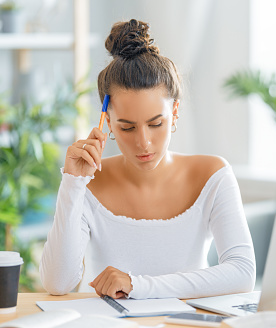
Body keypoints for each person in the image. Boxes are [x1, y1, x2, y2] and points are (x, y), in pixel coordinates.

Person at [40, 19, 256, 300]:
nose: (144, 142)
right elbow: (57, 283)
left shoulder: (212, 175)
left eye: (156, 124)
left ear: (175, 112)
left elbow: (242, 272)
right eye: (127, 127)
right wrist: (72, 183)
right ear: (107, 123)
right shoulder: (89, 182)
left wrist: (138, 286)